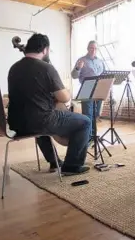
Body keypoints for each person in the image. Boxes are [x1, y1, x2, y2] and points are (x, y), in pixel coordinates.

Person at [8, 33, 92, 176]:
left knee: (37, 120)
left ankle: (54, 162)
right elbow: (64, 98)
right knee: (85, 122)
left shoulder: (14, 68)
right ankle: (72, 166)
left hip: (17, 124)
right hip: (40, 122)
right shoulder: (46, 68)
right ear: (45, 49)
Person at [71, 40, 106, 132]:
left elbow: (105, 74)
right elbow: (74, 76)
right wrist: (78, 68)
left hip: (99, 87)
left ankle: (94, 136)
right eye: (91, 48)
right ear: (87, 48)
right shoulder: (81, 60)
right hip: (86, 87)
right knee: (87, 115)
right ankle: (87, 136)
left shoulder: (100, 61)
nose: (93, 50)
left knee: (96, 114)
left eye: (95, 48)